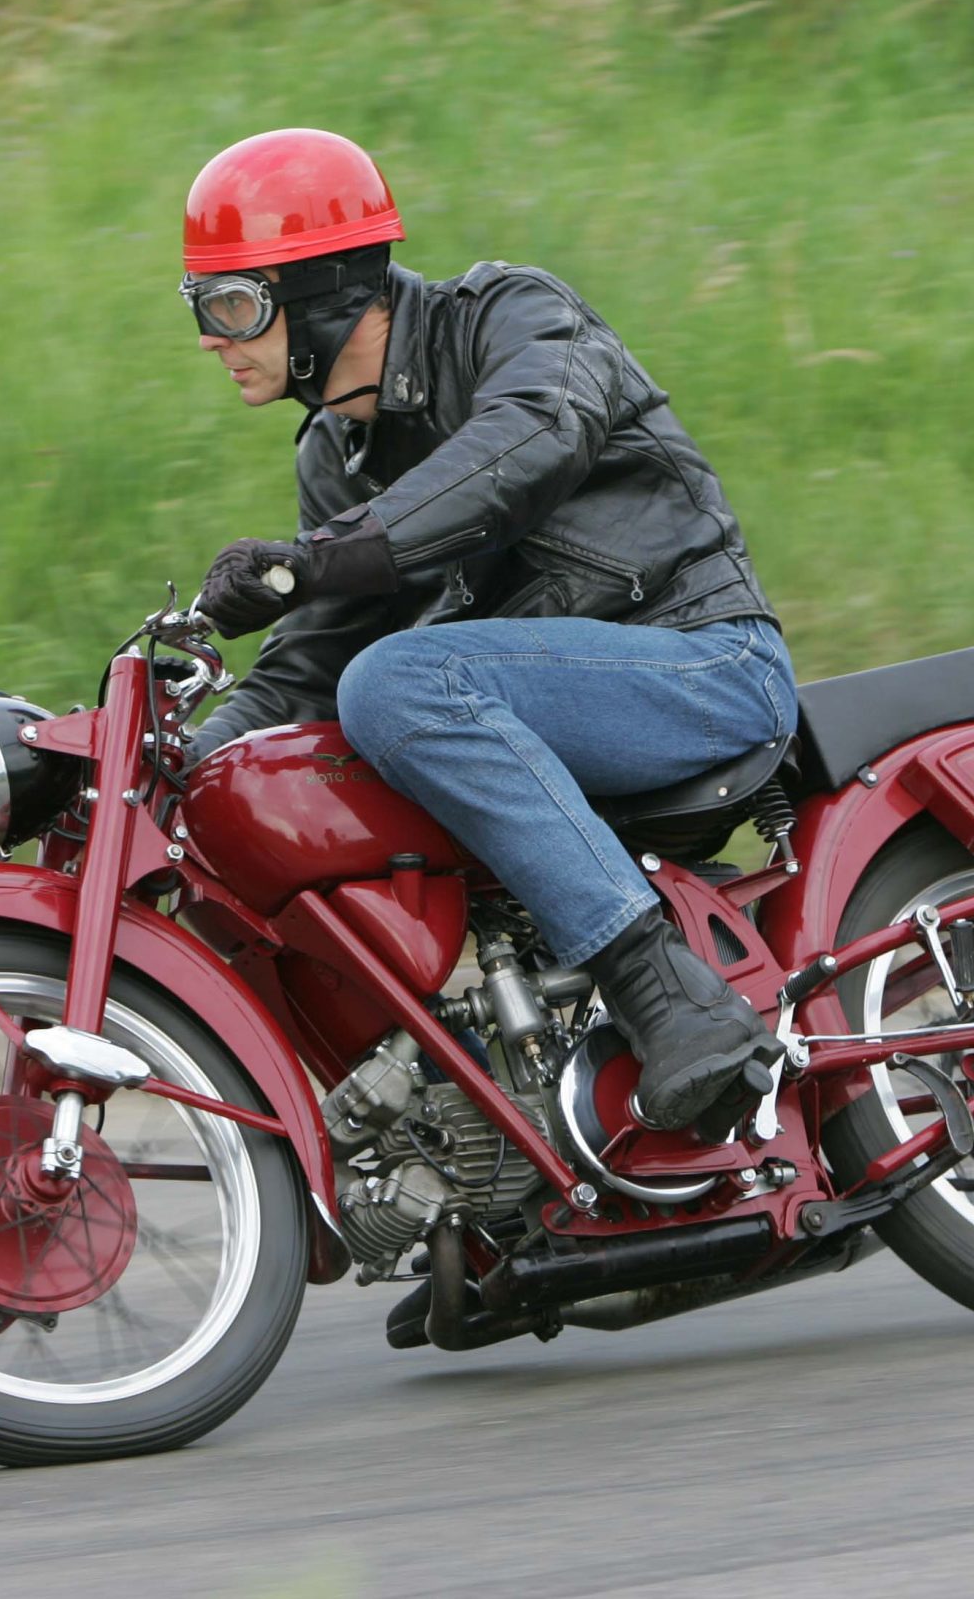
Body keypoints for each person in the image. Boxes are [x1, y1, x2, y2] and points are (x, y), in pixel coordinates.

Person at [179, 127, 795, 1139]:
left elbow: (529, 441)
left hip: (702, 663)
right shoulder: (337, 453)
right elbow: (300, 673)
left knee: (393, 687)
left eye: (234, 305)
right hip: (544, 709)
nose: (212, 337)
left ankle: (675, 1000)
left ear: (327, 291)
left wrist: (314, 561)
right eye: (200, 307)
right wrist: (160, 777)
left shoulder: (513, 316)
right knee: (296, 760)